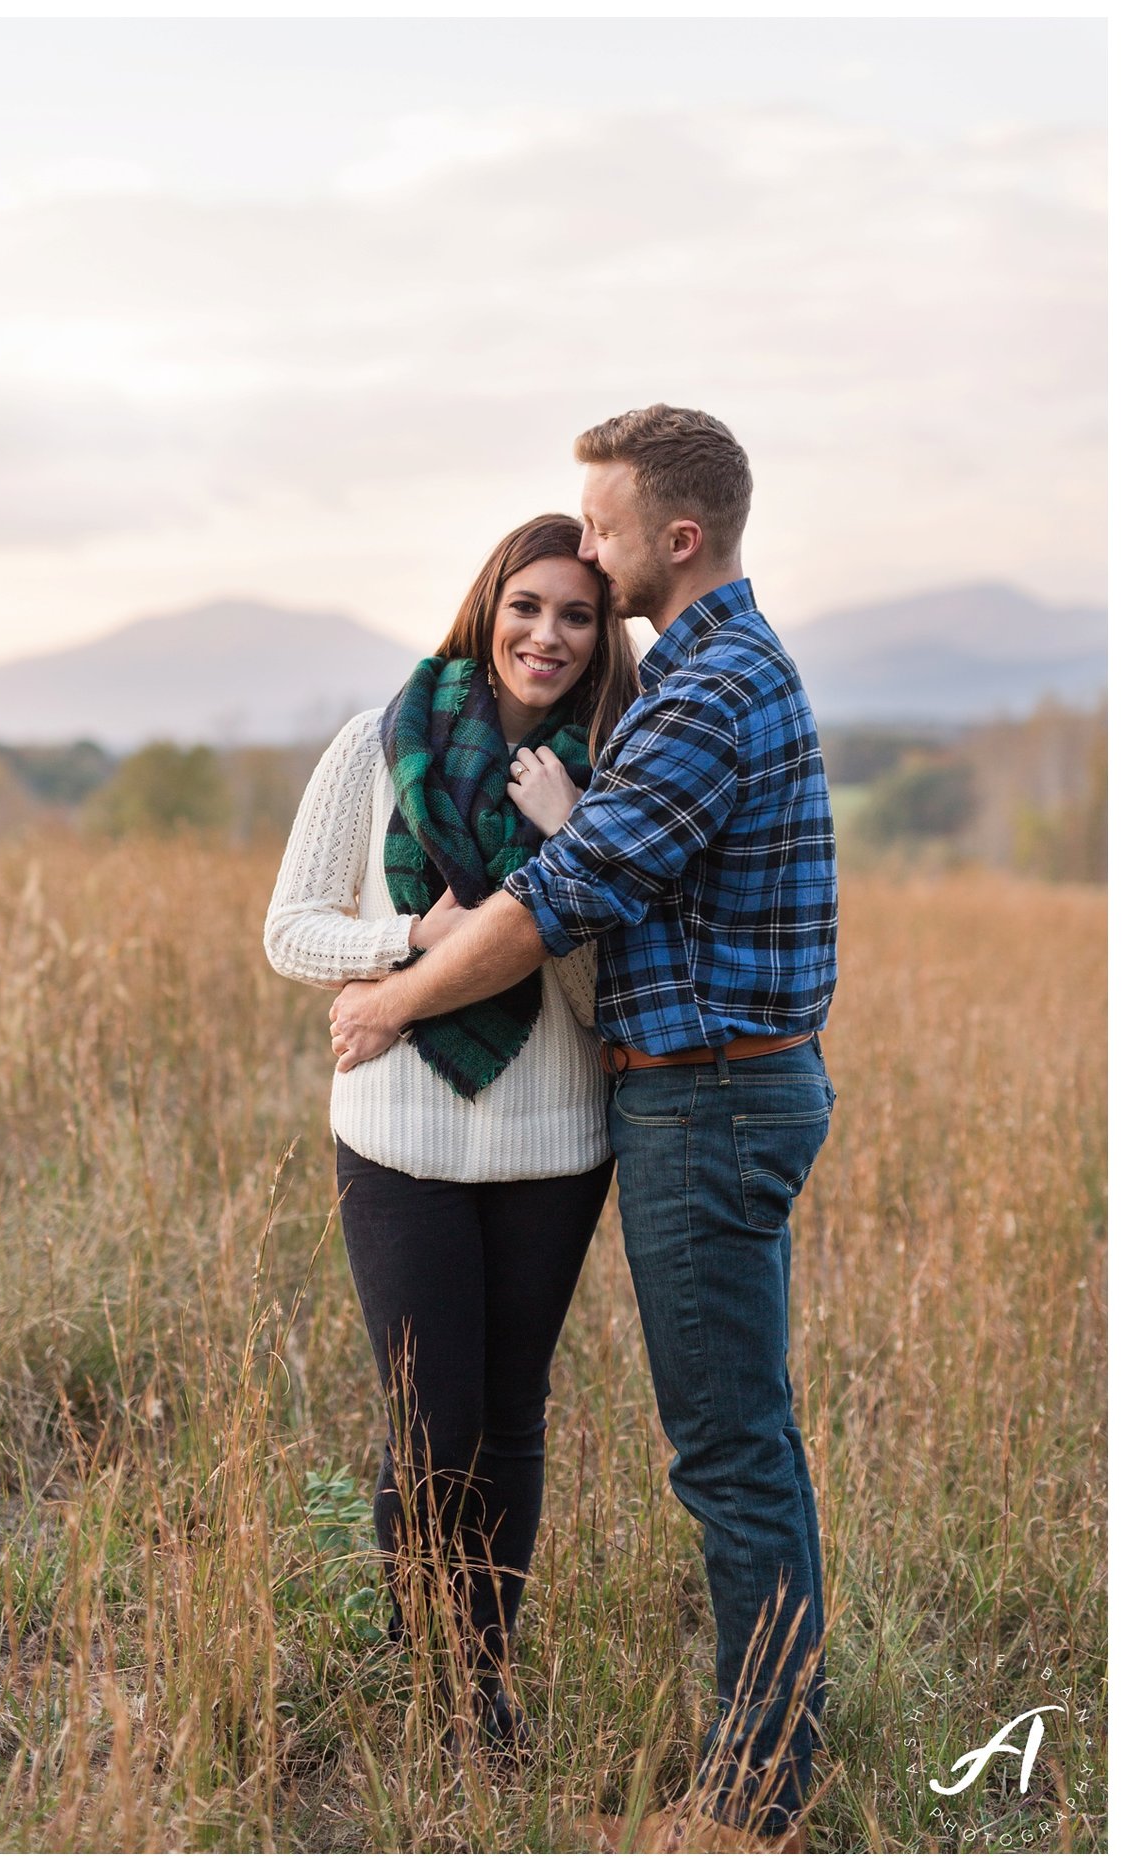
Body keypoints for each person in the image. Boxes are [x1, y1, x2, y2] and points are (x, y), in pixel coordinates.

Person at [327, 406, 837, 1851]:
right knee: (736, 1444)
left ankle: (757, 1793)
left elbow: (562, 904)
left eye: (602, 531)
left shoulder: (700, 693)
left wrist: (393, 997)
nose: (588, 555)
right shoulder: (714, 677)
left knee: (731, 1455)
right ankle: (730, 1750)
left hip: (709, 1090)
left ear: (676, 539)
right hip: (710, 1083)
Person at [265, 514, 638, 1751]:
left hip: (552, 1144)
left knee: (512, 1413)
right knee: (430, 1419)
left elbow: (602, 992)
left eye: (576, 615)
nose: (547, 633)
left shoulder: (611, 772)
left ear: (600, 639)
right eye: (527, 605)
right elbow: (291, 931)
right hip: (395, 1137)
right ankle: (420, 1668)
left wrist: (565, 839)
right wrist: (413, 943)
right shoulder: (375, 747)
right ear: (488, 605)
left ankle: (482, 1681)